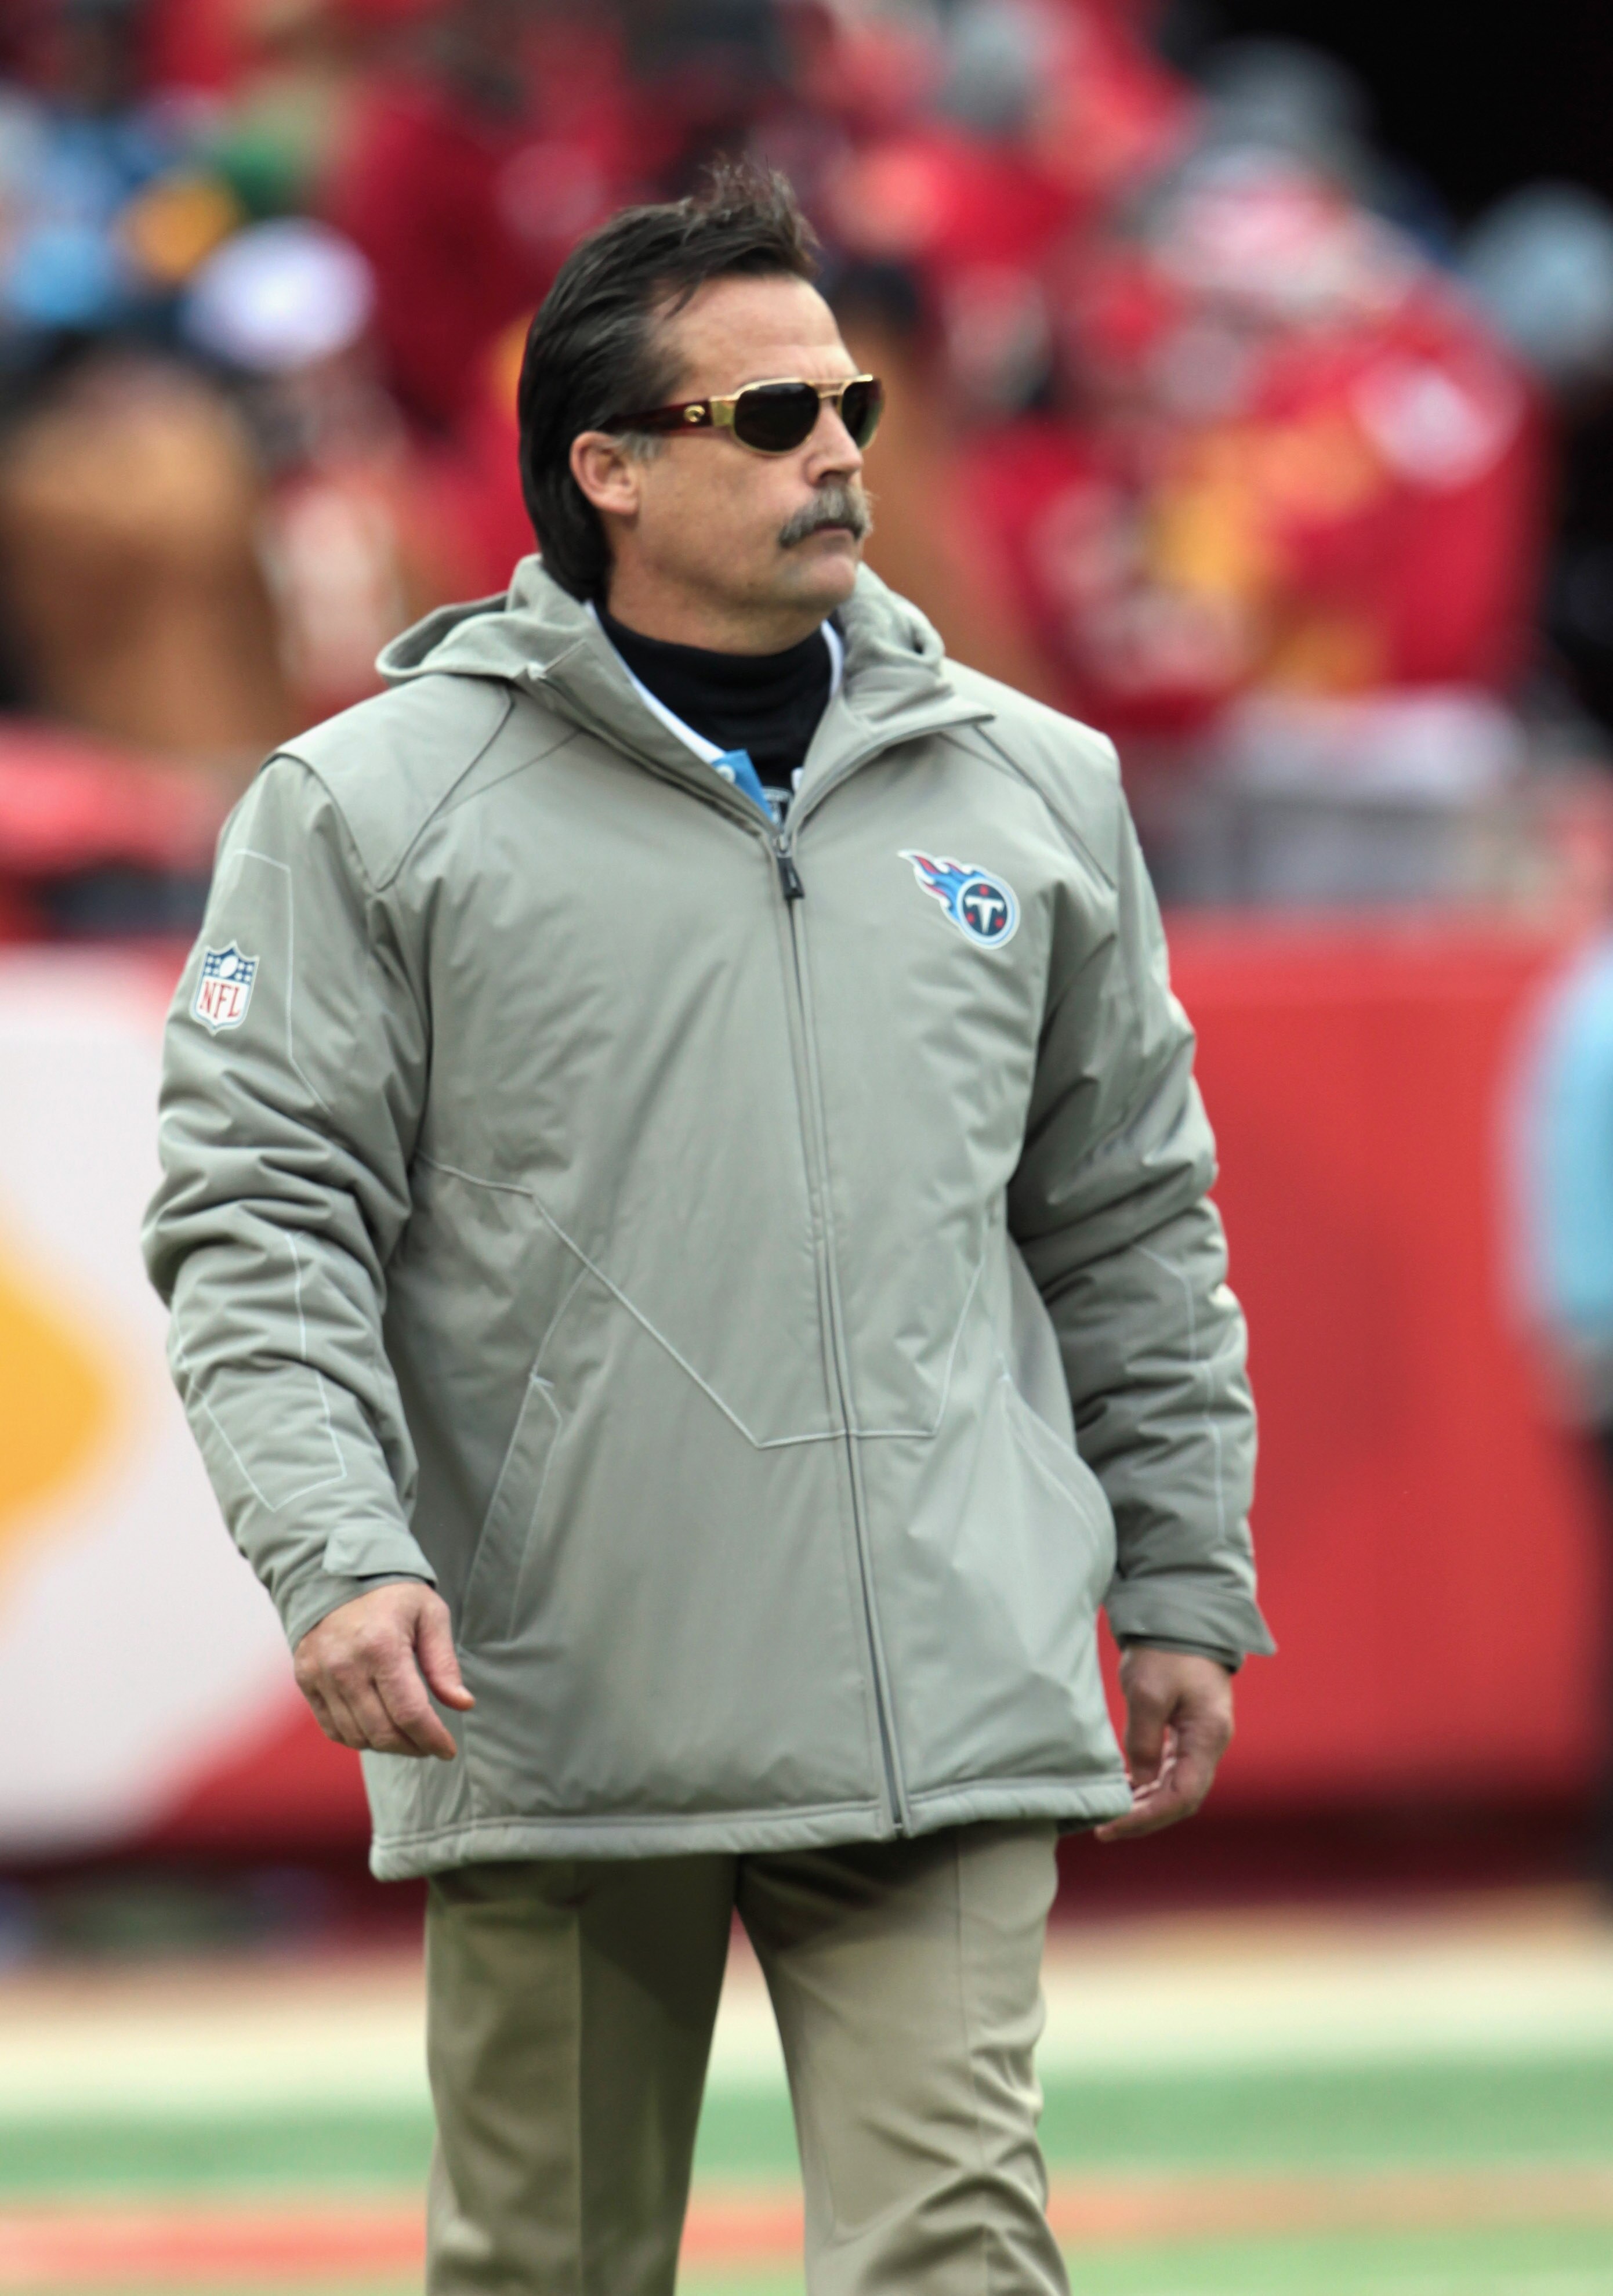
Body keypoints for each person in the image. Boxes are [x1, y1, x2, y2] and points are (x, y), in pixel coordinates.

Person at [144, 163, 1272, 2296]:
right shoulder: (369, 806)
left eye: (848, 401)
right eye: (769, 417)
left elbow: (1130, 1213)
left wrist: (1189, 1565)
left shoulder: (1036, 786)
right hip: (554, 1691)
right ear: (610, 468)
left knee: (958, 2248)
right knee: (548, 2266)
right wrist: (335, 1549)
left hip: (943, 1676)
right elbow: (256, 1215)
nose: (840, 446)